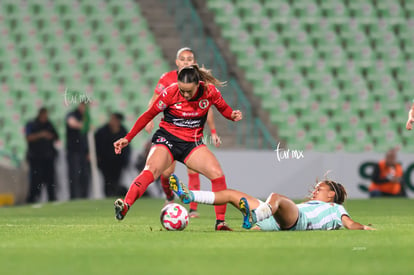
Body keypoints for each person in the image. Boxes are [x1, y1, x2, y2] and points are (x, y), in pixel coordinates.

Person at [113, 65, 243, 231]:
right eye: (182, 90)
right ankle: (125, 205)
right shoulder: (170, 92)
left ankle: (221, 223)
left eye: (189, 91)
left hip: (192, 143)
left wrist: (231, 115)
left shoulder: (209, 91)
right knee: (151, 170)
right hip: (167, 139)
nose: (185, 95)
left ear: (198, 84)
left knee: (217, 175)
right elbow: (148, 115)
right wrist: (127, 138)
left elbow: (223, 108)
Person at [145, 47, 221, 218]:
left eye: (190, 59)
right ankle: (169, 196)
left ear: (194, 62)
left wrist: (213, 131)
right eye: (183, 59)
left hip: (192, 135)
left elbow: (208, 108)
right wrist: (149, 117)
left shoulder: (200, 82)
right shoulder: (167, 78)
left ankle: (193, 208)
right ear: (177, 62)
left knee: (193, 171)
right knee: (166, 173)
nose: (186, 62)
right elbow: (156, 98)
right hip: (172, 135)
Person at [169, 174, 375, 231]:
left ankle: (254, 216)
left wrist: (364, 227)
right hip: (273, 218)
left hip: (297, 220)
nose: (315, 191)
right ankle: (190, 196)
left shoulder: (335, 208)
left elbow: (349, 224)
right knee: (232, 194)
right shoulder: (313, 204)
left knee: (276, 197)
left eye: (319, 188)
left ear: (331, 194)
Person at [25, 107, 59, 203]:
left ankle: (52, 198)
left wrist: (49, 136)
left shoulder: (49, 124)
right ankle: (32, 199)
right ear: (40, 114)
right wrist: (41, 135)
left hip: (48, 158)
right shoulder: (31, 124)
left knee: (50, 180)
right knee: (36, 180)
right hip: (36, 158)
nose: (45, 117)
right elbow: (28, 137)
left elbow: (56, 136)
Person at [95, 113, 130, 197]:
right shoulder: (102, 131)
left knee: (116, 180)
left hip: (118, 161)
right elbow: (97, 144)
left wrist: (126, 159)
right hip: (105, 161)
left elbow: (127, 146)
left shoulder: (123, 131)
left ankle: (115, 194)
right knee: (107, 180)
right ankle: (108, 195)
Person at [66, 102, 90, 199]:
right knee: (74, 175)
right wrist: (83, 125)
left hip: (83, 152)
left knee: (84, 175)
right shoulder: (72, 114)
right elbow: (71, 123)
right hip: (73, 151)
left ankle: (84, 196)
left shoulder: (86, 117)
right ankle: (74, 197)